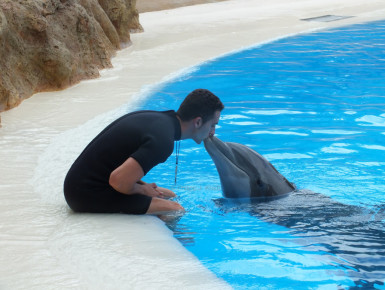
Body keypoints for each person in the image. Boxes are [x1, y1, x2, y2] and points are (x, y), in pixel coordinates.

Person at [64, 89, 224, 215]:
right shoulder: (163, 142)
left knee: (169, 195)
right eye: (212, 125)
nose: (213, 132)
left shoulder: (162, 121)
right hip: (84, 194)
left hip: (83, 182)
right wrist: (142, 189)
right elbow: (118, 180)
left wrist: (145, 188)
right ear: (198, 122)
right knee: (175, 209)